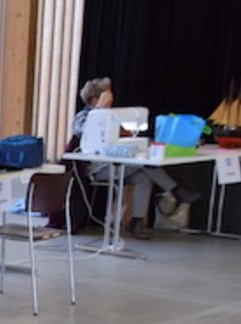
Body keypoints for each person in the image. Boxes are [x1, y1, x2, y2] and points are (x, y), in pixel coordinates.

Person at [68, 77, 199, 241]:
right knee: (143, 164)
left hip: (115, 165)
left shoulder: (111, 116)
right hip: (96, 169)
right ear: (94, 100)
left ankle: (137, 221)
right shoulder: (83, 117)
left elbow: (127, 135)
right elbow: (83, 130)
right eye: (108, 97)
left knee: (144, 177)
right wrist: (99, 110)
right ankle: (175, 190)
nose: (112, 100)